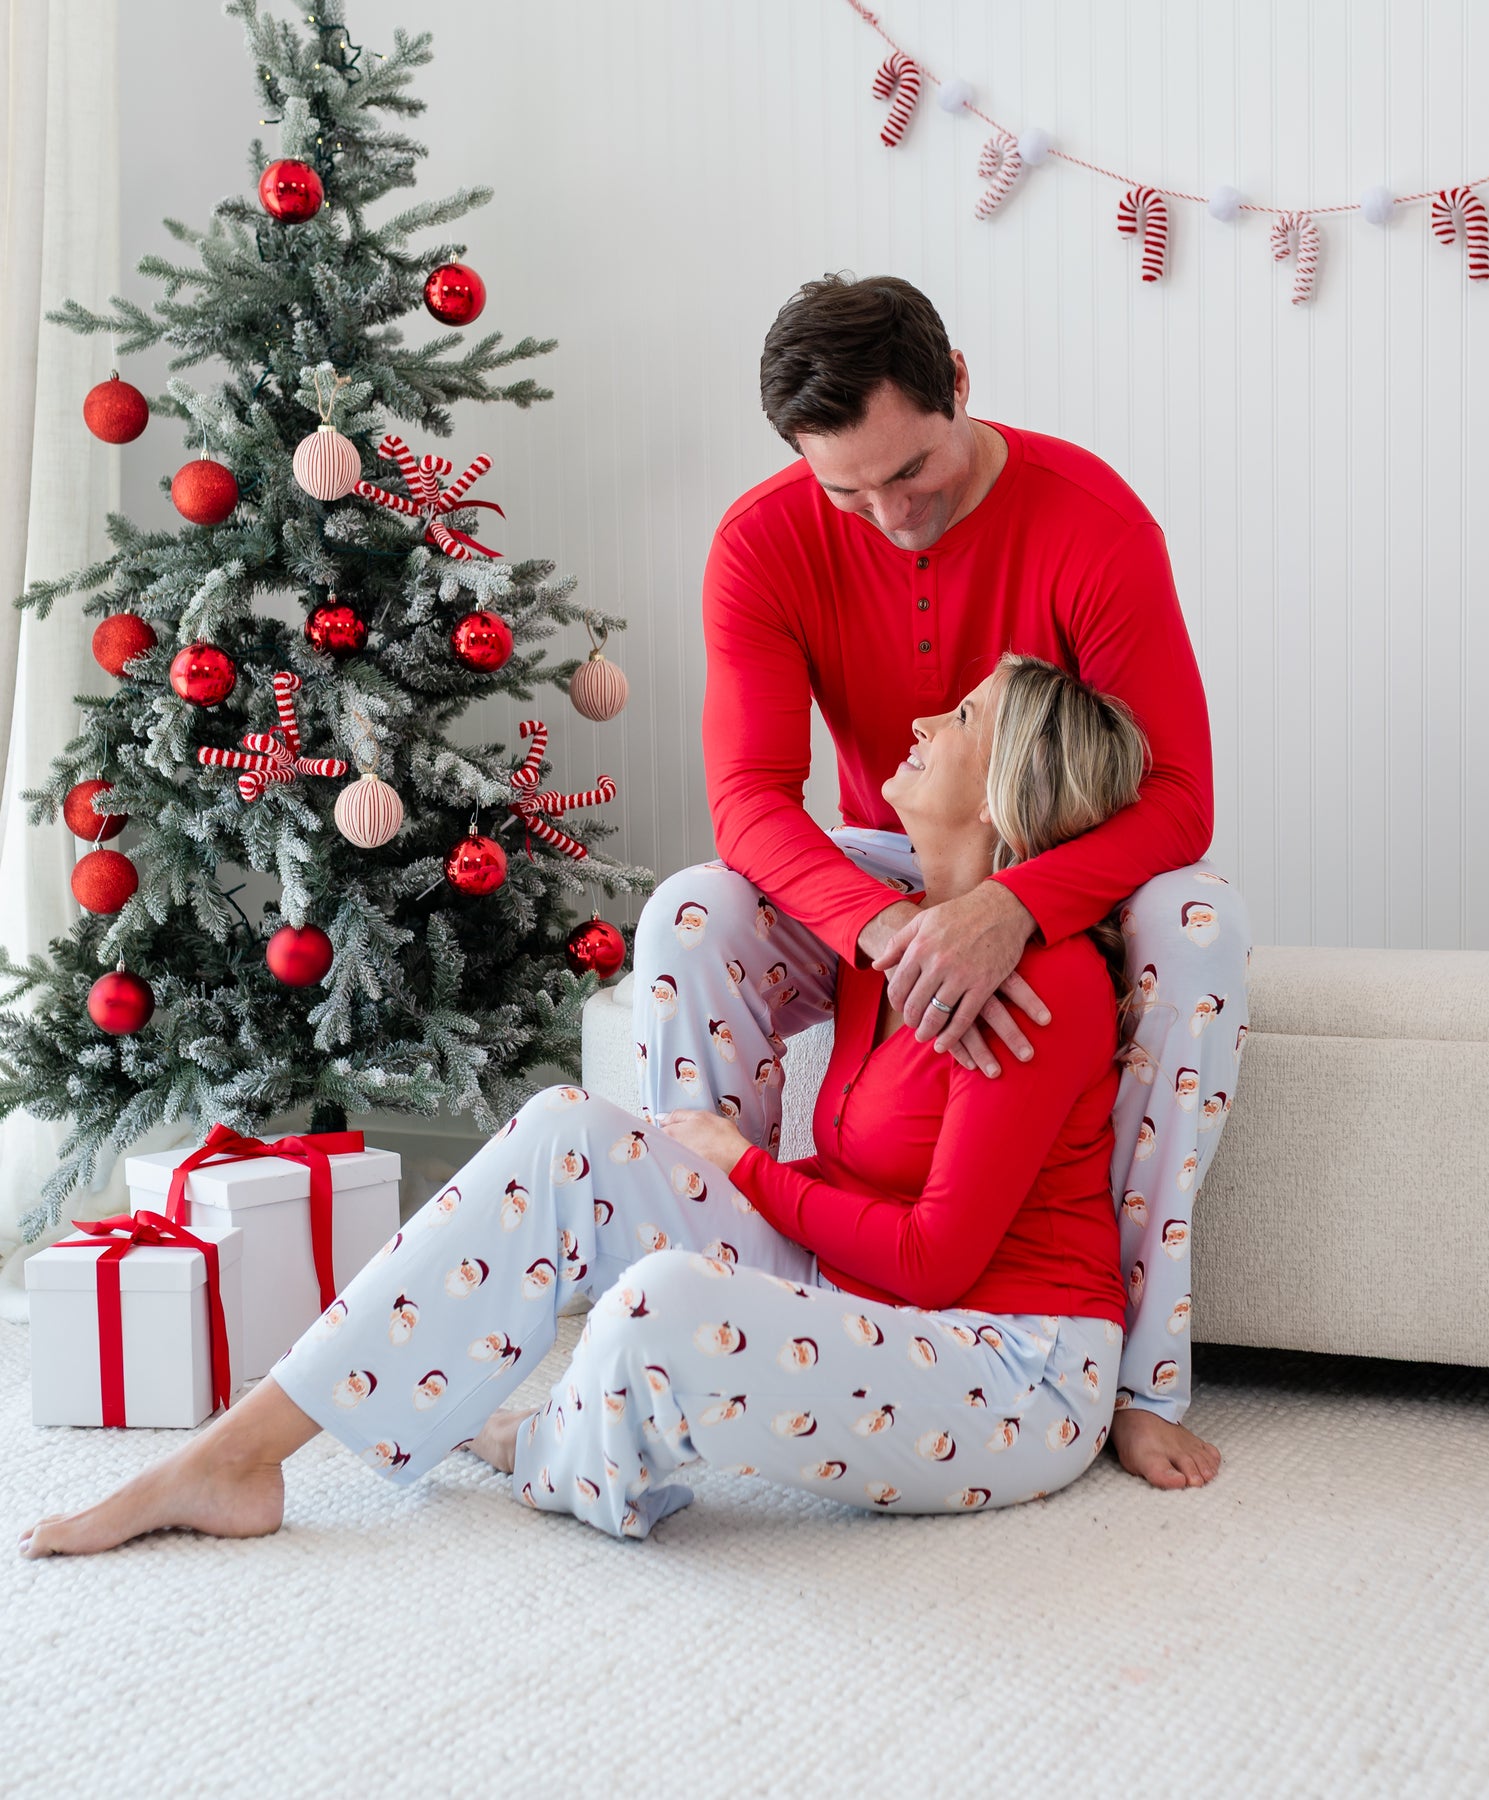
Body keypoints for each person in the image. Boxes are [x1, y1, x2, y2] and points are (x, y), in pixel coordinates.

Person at [22, 655, 1170, 1557]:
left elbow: (933, 1264)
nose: (923, 724)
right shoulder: (891, 931)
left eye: (961, 720)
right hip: (860, 1294)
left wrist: (744, 1168)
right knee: (570, 1128)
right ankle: (241, 1454)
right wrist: (728, 1179)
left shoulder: (1046, 983)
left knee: (664, 1306)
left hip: (1007, 1367)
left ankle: (542, 1446)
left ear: (1013, 784)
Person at [638, 273, 1251, 1491]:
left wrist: (1010, 910)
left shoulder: (1090, 521)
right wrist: (888, 930)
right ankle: (722, 1315)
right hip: (875, 863)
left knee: (1198, 924)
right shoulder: (761, 542)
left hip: (1048, 862)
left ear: (958, 384)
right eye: (845, 489)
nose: (888, 514)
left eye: (909, 471)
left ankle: (1135, 1378)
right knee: (689, 916)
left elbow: (1180, 797)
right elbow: (751, 797)